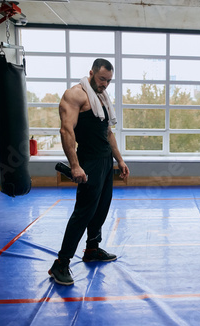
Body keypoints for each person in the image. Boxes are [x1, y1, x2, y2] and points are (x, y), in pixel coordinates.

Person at [49, 58, 129, 286]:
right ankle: (61, 264)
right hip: (89, 161)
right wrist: (75, 165)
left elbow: (108, 132)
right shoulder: (75, 95)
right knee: (83, 212)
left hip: (105, 161)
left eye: (109, 80)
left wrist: (120, 160)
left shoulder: (101, 98)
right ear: (91, 73)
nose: (105, 84)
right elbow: (66, 130)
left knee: (102, 207)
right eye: (102, 79)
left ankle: (92, 249)